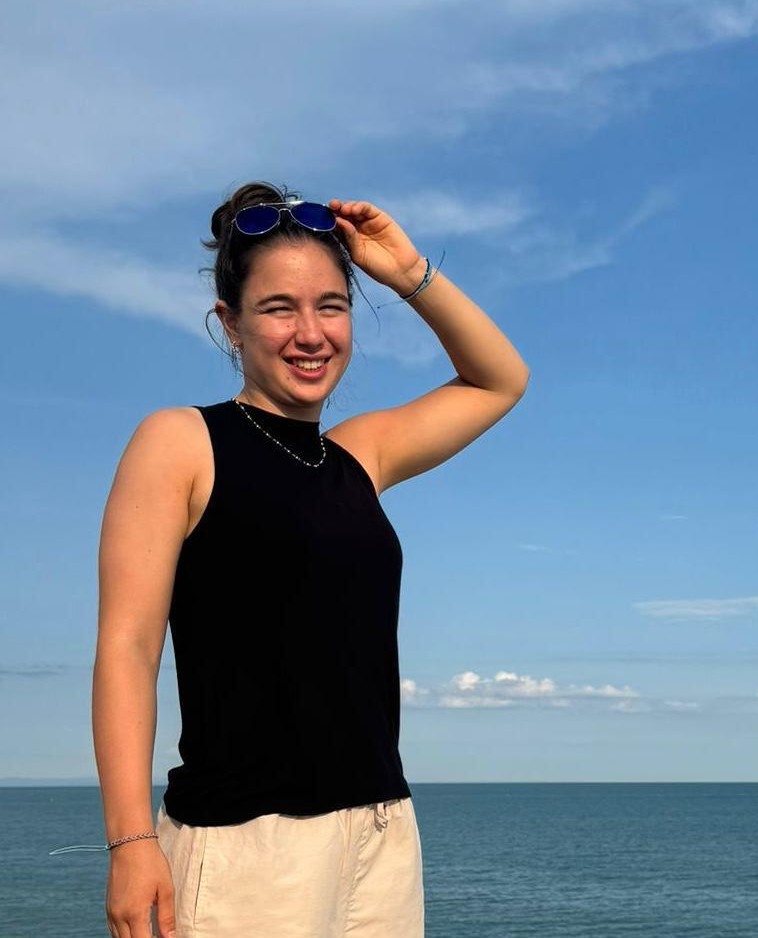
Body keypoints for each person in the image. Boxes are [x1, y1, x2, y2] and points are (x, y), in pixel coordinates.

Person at [91, 182, 529, 938]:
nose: (310, 333)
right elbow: (128, 648)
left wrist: (409, 273)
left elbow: (501, 379)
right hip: (247, 848)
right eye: (278, 308)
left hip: (381, 836)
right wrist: (131, 842)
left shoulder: (359, 455)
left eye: (331, 305)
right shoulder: (181, 441)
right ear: (230, 323)